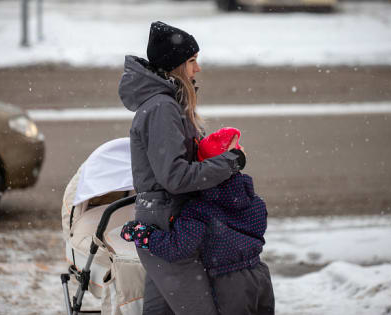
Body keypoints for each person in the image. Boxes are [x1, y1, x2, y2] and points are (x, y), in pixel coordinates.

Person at [118, 21, 246, 315]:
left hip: (164, 222)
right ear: (175, 66)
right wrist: (231, 162)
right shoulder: (162, 108)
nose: (197, 69)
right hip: (168, 227)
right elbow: (174, 177)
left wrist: (211, 151)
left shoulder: (165, 104)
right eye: (191, 61)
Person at [121, 127, 275, 315]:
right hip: (258, 276)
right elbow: (257, 227)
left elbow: (179, 247)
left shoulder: (199, 209)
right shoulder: (255, 201)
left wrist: (145, 235)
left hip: (228, 284)